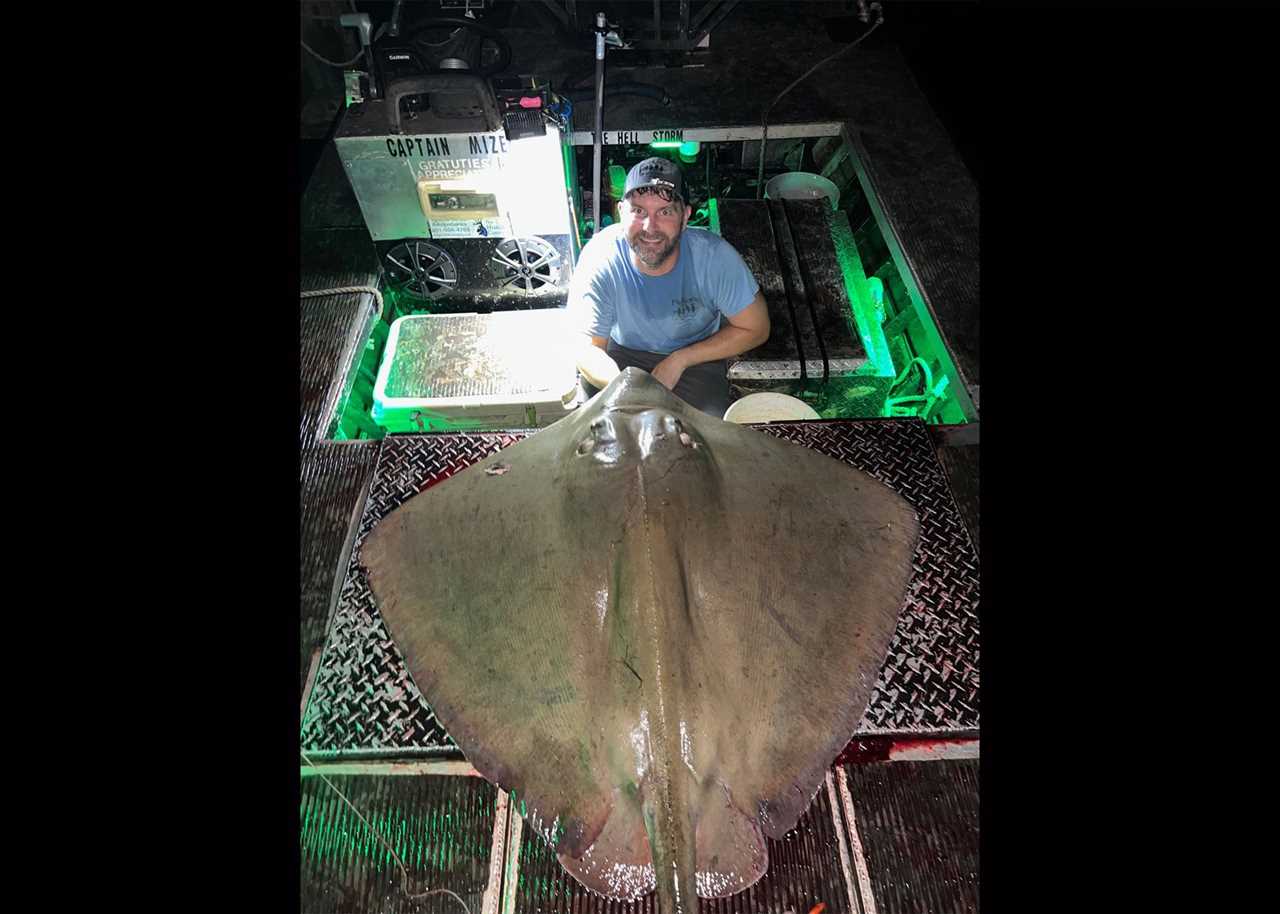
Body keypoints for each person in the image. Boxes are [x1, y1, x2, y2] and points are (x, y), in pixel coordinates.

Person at [566, 157, 770, 417]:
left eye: (665, 212)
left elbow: (757, 327)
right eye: (638, 211)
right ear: (621, 212)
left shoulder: (714, 257)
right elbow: (586, 347)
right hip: (619, 361)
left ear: (685, 217)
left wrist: (681, 359)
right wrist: (627, 387)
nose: (650, 228)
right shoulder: (601, 256)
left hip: (696, 358)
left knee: (698, 440)